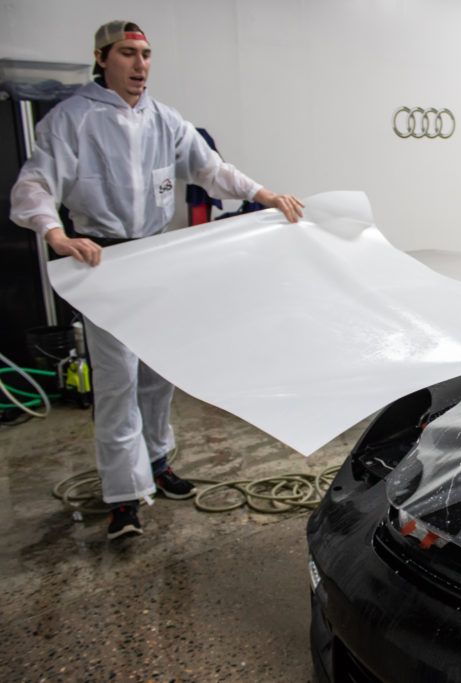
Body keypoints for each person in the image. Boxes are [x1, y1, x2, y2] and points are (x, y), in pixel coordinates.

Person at [10, 20, 305, 540]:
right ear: (102, 58)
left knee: (157, 372)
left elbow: (212, 169)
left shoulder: (165, 121)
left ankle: (160, 461)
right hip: (103, 260)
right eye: (128, 54)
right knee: (117, 379)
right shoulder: (70, 120)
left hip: (156, 257)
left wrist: (265, 195)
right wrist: (56, 235)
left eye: (146, 55)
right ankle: (125, 497)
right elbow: (35, 183)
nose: (141, 65)